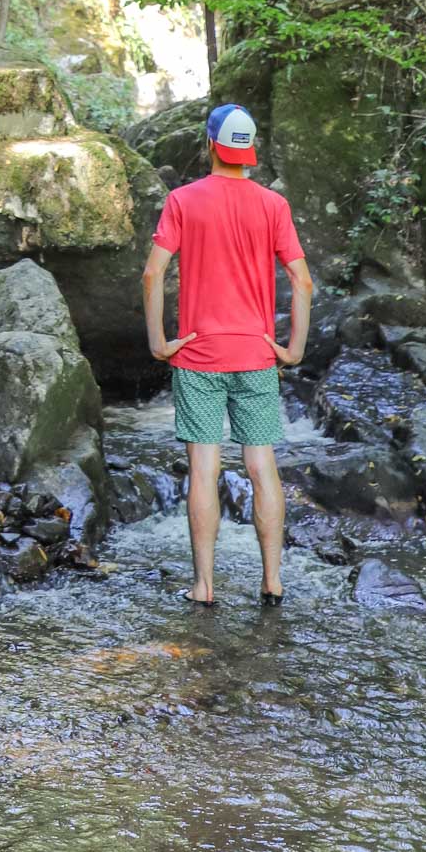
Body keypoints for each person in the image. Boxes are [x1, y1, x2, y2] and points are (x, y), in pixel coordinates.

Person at [141, 102, 314, 607]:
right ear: (248, 150)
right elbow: (302, 281)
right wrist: (293, 349)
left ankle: (205, 586)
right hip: (257, 355)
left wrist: (158, 341)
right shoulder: (272, 205)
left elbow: (153, 274)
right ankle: (272, 581)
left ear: (210, 142)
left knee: (203, 469)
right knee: (262, 466)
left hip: (198, 356)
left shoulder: (182, 201)